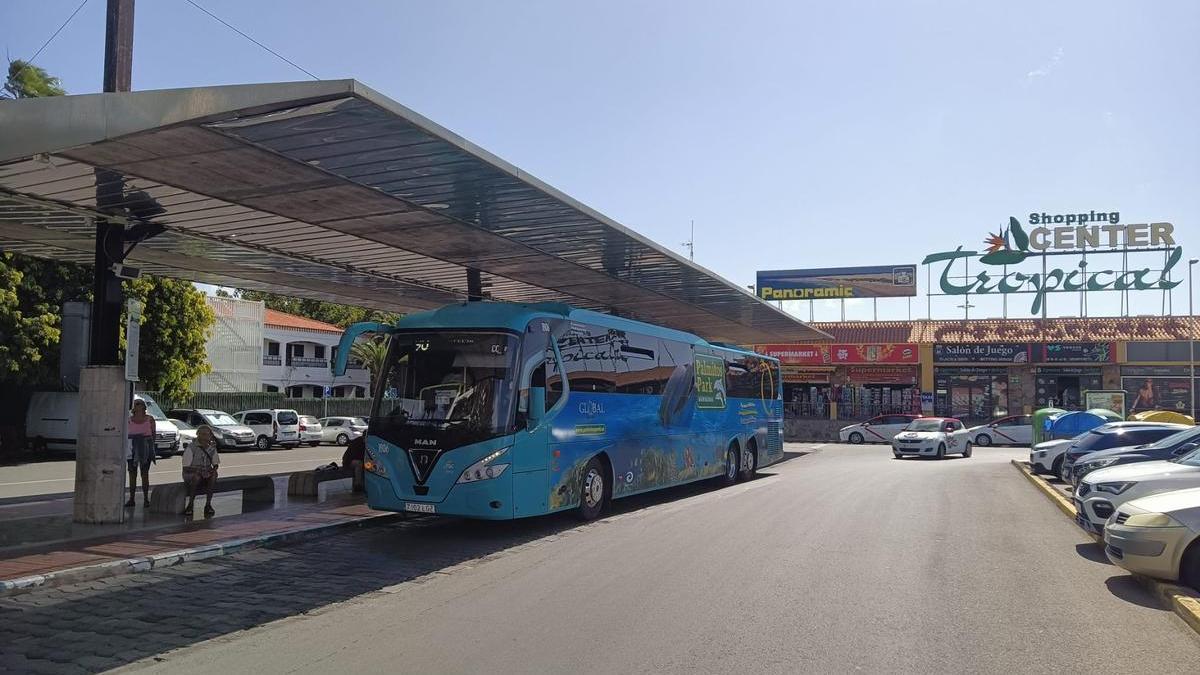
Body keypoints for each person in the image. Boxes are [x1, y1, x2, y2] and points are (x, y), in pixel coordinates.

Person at [182, 425, 220, 517]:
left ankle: (208, 504)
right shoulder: (191, 448)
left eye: (207, 434)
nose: (205, 437)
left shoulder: (212, 448)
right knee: (196, 477)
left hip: (206, 472)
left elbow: (215, 464)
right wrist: (199, 470)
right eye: (202, 434)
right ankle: (190, 504)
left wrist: (212, 470)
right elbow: (186, 468)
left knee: (214, 475)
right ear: (198, 435)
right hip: (191, 473)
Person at [127, 399, 156, 507]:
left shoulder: (150, 419)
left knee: (144, 473)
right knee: (132, 473)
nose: (137, 405)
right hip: (132, 447)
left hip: (145, 447)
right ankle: (131, 499)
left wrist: (150, 447)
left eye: (139, 404)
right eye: (135, 404)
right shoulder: (129, 420)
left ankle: (146, 499)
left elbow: (153, 434)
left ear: (144, 407)